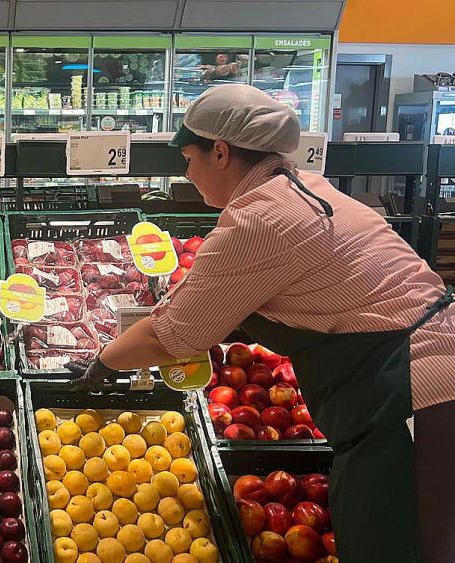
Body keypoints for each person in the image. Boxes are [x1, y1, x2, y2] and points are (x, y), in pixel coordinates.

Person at [70, 84, 455, 562]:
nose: (188, 175)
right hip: (422, 372)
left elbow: (172, 334)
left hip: (417, 395)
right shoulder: (306, 186)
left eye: (189, 160)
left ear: (221, 152)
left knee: (399, 542)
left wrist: (103, 363)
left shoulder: (261, 220)